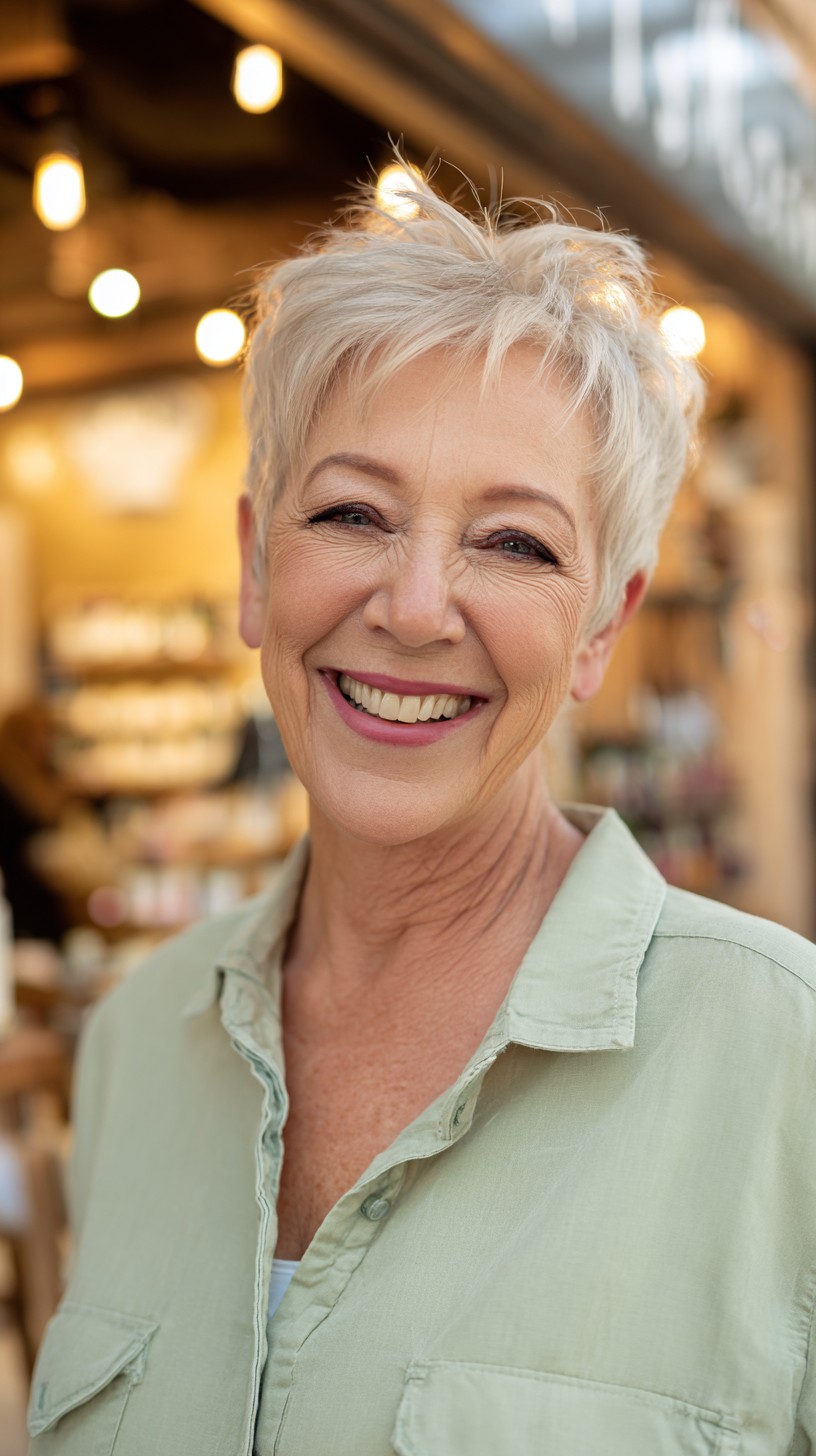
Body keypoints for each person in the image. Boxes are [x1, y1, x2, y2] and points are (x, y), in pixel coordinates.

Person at [28, 171, 816, 1456]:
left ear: (600, 628)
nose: (414, 603)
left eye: (515, 543)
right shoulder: (133, 1048)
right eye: (351, 513)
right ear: (253, 566)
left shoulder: (790, 1067)